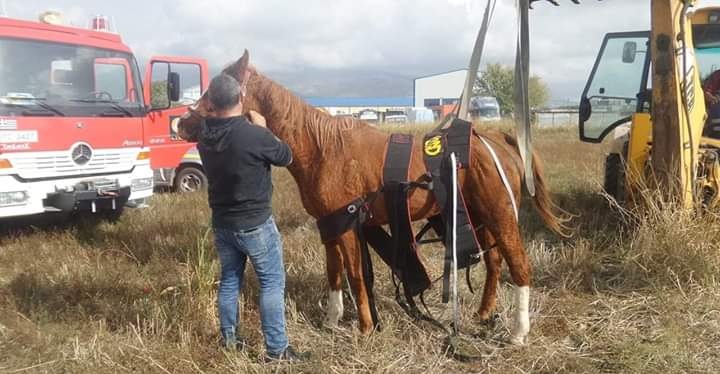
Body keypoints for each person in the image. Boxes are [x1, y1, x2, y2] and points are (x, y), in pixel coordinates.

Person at [197, 73, 306, 362]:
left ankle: (230, 341)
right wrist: (265, 129)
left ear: (211, 102)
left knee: (230, 280)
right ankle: (277, 350)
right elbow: (286, 157)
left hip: (222, 223)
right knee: (271, 283)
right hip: (255, 224)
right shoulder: (254, 135)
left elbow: (216, 125)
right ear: (241, 98)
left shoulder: (204, 135)